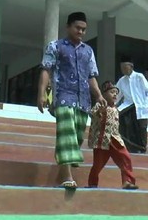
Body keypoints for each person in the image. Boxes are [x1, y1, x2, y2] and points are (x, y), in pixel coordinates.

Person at [37, 11, 107, 189]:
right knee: (66, 134)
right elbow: (46, 69)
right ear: (68, 27)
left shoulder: (88, 51)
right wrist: (42, 93)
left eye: (84, 29)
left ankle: (63, 171)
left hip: (83, 101)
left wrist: (98, 95)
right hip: (63, 97)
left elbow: (91, 76)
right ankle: (67, 177)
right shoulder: (55, 46)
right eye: (78, 28)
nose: (81, 32)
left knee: (76, 138)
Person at [87, 81, 138, 190]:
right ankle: (92, 183)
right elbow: (93, 114)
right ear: (104, 94)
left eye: (116, 93)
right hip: (102, 140)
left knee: (126, 158)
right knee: (97, 165)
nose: (115, 95)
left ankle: (127, 181)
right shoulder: (100, 105)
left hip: (115, 139)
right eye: (112, 92)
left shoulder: (116, 109)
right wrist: (100, 111)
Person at [116, 56, 148, 154]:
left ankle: (141, 148)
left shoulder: (139, 77)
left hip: (141, 106)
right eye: (121, 68)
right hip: (128, 105)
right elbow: (116, 95)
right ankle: (130, 147)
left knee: (141, 128)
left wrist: (147, 106)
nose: (123, 70)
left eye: (125, 67)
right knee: (123, 122)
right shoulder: (121, 80)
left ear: (131, 67)